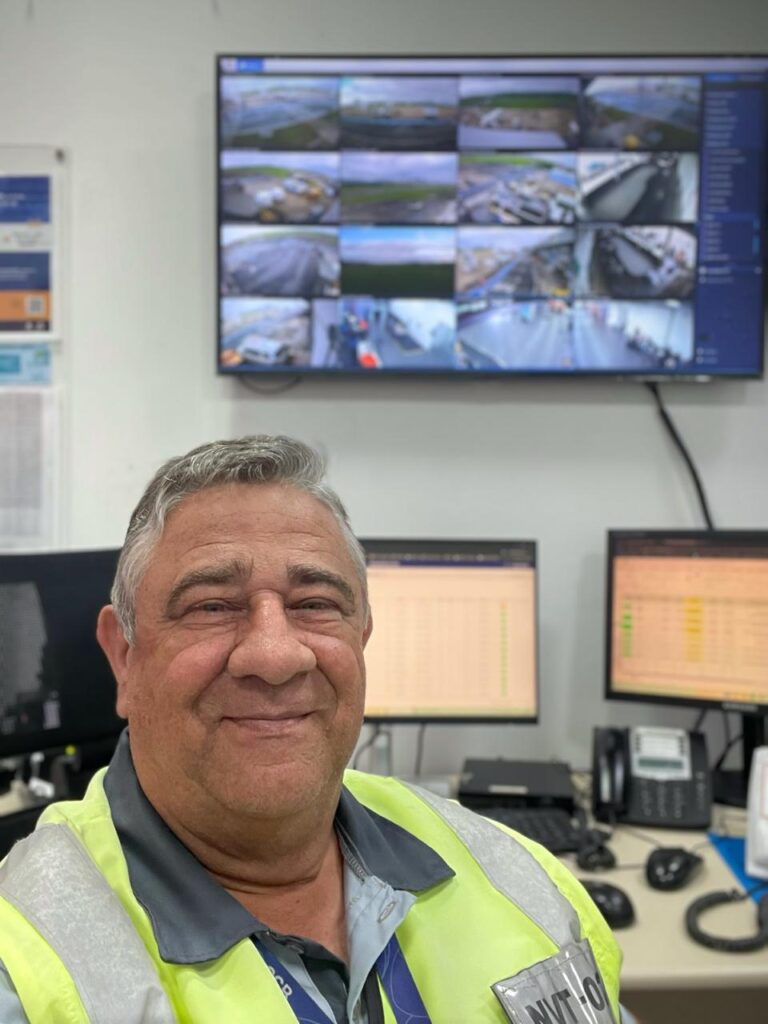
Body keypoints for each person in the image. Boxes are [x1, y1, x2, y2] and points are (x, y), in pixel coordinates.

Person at [0, 435, 626, 1024]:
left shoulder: (516, 877)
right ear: (124, 657)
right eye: (212, 606)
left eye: (315, 604)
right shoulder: (26, 966)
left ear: (362, 638)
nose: (276, 656)